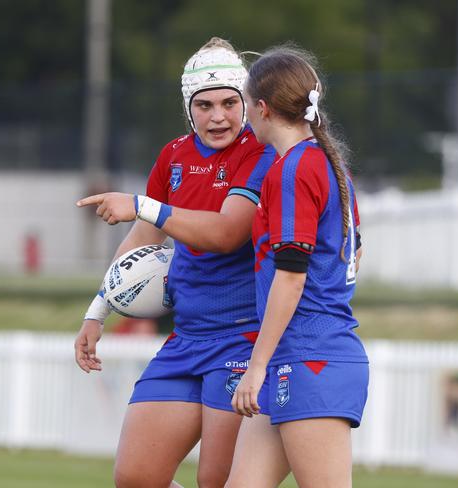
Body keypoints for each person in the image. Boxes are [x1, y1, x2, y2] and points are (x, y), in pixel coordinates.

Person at [74, 37, 277, 488]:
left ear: (246, 101)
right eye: (204, 105)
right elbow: (144, 236)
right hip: (187, 339)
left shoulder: (261, 153)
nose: (218, 116)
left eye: (229, 102)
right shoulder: (174, 155)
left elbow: (227, 234)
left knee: (216, 481)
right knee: (136, 478)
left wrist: (144, 205)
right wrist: (99, 309)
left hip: (241, 339)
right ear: (189, 108)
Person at [225, 46, 369, 488]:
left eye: (246, 103)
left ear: (262, 108)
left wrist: (256, 364)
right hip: (297, 355)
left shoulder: (296, 168)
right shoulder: (326, 163)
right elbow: (355, 253)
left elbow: (291, 275)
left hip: (311, 358)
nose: (245, 115)